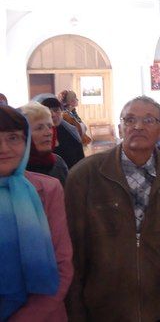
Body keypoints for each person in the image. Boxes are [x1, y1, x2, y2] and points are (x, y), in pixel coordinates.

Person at [64, 96, 160, 321]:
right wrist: (75, 309)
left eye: (148, 120)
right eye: (130, 119)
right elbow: (74, 248)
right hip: (105, 304)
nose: (138, 126)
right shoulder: (85, 175)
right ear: (120, 128)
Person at [0, 105, 73, 321]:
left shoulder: (48, 189)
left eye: (13, 138)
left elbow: (62, 266)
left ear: (26, 142)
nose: (4, 148)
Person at [19, 102, 68, 186]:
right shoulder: (15, 167)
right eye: (39, 128)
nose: (48, 133)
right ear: (25, 134)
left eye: (50, 126)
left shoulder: (58, 163)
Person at [35, 94, 85, 169]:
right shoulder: (36, 135)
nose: (53, 115)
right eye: (47, 111)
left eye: (56, 110)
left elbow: (80, 160)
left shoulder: (70, 131)